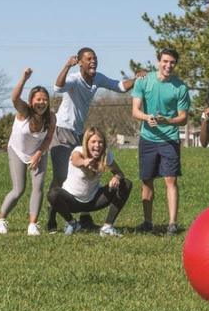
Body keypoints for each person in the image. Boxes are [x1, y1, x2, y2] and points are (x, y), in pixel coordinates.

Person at [46, 47, 145, 232]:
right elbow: (58, 87)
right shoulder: (75, 78)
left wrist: (137, 78)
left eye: (95, 58)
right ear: (80, 62)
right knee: (62, 175)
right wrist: (66, 66)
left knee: (85, 170)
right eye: (89, 59)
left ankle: (84, 217)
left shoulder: (97, 78)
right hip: (62, 129)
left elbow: (119, 86)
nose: (93, 61)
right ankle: (52, 219)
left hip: (78, 132)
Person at [130, 48, 191, 235]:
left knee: (170, 180)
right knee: (147, 181)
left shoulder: (180, 87)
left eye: (172, 62)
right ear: (158, 61)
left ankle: (172, 223)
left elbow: (184, 118)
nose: (168, 65)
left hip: (169, 139)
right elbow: (135, 111)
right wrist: (147, 117)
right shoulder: (143, 81)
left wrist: (168, 121)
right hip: (147, 138)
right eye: (165, 61)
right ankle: (147, 222)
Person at [0, 68, 55, 236]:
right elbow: (14, 98)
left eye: (45, 99)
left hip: (38, 151)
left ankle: (33, 224)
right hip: (17, 151)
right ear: (31, 101)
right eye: (38, 99)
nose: (42, 102)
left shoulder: (50, 117)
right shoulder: (24, 112)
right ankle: (1, 218)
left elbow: (49, 138)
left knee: (38, 187)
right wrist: (24, 78)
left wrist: (38, 153)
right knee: (18, 189)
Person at [47, 126, 132, 237]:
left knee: (126, 183)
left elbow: (119, 173)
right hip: (71, 201)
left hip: (93, 200)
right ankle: (72, 223)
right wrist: (85, 161)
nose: (97, 145)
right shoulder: (78, 151)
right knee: (53, 194)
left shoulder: (106, 155)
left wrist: (116, 177)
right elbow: (75, 160)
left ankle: (107, 227)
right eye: (93, 142)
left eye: (100, 142)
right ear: (87, 143)